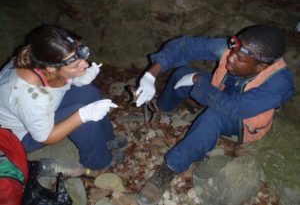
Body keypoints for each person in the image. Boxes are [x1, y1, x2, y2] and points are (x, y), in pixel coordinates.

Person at [134, 25, 295, 205]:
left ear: (261, 66)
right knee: (181, 74)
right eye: (232, 52)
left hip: (243, 121)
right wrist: (150, 75)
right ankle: (162, 107)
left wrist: (198, 81)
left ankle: (169, 169)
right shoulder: (235, 49)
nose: (230, 59)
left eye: (239, 59)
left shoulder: (279, 84)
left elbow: (234, 108)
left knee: (214, 115)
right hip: (222, 91)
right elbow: (185, 46)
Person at [0, 24, 127, 170]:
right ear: (51, 69)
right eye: (76, 65)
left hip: (39, 110)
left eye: (83, 55)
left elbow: (56, 83)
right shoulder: (28, 95)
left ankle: (107, 139)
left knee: (89, 92)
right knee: (81, 115)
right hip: (20, 136)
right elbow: (45, 137)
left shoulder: (37, 58)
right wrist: (83, 115)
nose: (86, 64)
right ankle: (98, 161)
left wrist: (77, 79)